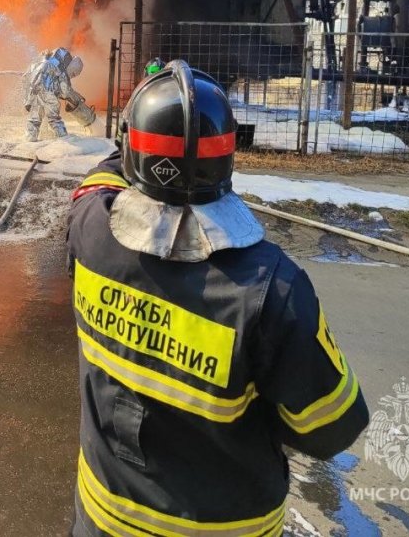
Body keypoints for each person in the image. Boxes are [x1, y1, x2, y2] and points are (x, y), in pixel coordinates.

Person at [67, 60, 368, 537]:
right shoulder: (274, 291)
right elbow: (332, 428)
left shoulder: (91, 231)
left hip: (104, 518)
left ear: (131, 153)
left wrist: (140, 127)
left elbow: (97, 185)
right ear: (227, 157)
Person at [22, 47, 88, 142]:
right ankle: (63, 139)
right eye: (73, 74)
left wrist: (27, 100)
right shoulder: (61, 69)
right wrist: (74, 97)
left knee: (34, 119)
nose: (72, 76)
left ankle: (30, 139)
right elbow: (65, 91)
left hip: (35, 93)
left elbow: (27, 79)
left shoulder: (40, 61)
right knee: (54, 119)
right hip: (49, 94)